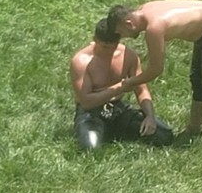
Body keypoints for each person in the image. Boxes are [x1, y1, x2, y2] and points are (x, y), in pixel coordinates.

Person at [106, 1, 202, 137]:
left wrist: (132, 82)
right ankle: (194, 128)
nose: (124, 37)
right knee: (198, 80)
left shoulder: (154, 28)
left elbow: (155, 69)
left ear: (128, 23)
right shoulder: (145, 8)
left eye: (121, 33)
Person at [72, 18, 174, 152]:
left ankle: (119, 130)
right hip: (92, 113)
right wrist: (119, 88)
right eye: (104, 46)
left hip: (117, 109)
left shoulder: (128, 56)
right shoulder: (81, 61)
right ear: (94, 39)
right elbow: (86, 102)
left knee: (164, 136)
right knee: (90, 149)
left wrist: (149, 116)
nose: (108, 51)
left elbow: (141, 89)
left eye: (112, 47)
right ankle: (102, 131)